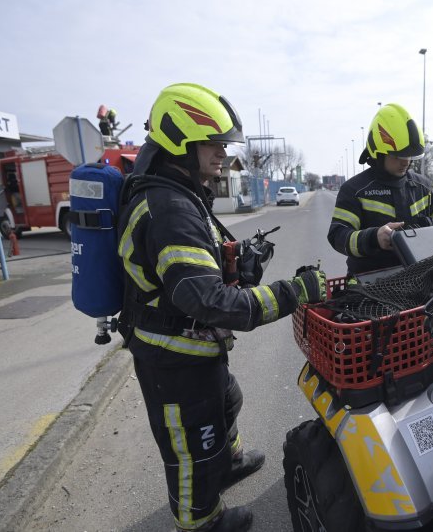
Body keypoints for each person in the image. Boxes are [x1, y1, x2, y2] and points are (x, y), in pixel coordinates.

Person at [116, 83, 325, 532]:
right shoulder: (169, 207)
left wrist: (238, 262)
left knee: (226, 400)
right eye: (213, 144)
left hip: (189, 343)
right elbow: (210, 302)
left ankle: (226, 465)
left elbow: (197, 272)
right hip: (171, 353)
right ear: (179, 143)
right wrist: (295, 291)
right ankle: (201, 522)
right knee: (193, 445)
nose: (223, 154)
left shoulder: (179, 191)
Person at [327, 103, 433, 275]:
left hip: (422, 278)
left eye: (409, 154)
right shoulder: (355, 190)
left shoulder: (422, 187)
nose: (405, 161)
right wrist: (373, 238)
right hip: (371, 284)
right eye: (397, 155)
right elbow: (337, 235)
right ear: (378, 154)